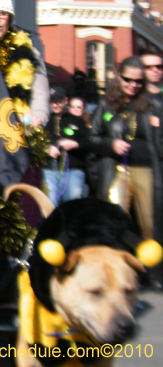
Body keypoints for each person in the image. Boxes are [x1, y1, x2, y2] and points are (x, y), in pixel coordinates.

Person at [89, 55, 163, 289]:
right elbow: (92, 137)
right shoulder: (106, 103)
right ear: (118, 77)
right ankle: (117, 273)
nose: (133, 85)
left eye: (138, 81)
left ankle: (153, 272)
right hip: (116, 168)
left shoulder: (153, 104)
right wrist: (110, 144)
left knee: (150, 223)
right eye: (128, 80)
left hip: (146, 169)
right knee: (116, 221)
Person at [42, 86, 89, 205]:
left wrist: (76, 144)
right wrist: (47, 149)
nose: (55, 105)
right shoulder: (45, 122)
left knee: (72, 204)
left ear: (65, 101)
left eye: (58, 101)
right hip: (50, 170)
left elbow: (90, 142)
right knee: (50, 206)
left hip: (73, 170)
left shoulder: (77, 121)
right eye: (52, 102)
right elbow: (36, 144)